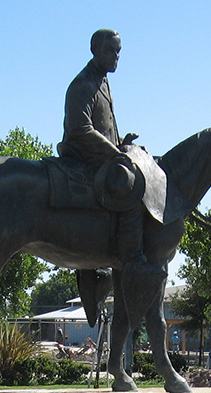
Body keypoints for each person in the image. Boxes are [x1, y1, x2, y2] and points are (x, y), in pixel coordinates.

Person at [59, 29, 163, 276]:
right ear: (95, 50)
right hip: (82, 159)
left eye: (118, 51)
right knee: (131, 187)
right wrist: (116, 154)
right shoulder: (83, 84)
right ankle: (131, 256)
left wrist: (122, 144)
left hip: (100, 156)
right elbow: (80, 129)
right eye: (110, 50)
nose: (115, 56)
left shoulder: (102, 82)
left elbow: (102, 129)